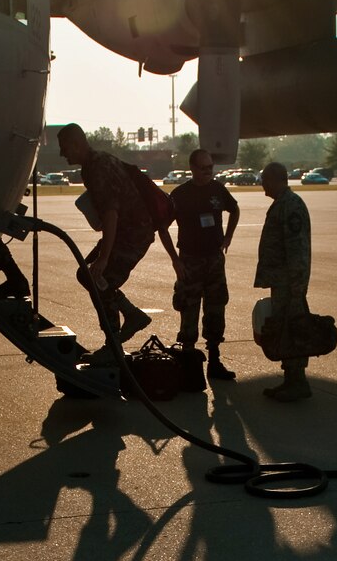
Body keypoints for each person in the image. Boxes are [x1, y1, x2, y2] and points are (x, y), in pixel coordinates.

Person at [57, 123, 167, 361]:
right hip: (127, 233)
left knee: (98, 278)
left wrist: (104, 258)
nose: (62, 154)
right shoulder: (94, 164)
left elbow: (111, 213)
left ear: (77, 143)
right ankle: (131, 316)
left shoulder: (97, 168)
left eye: (64, 147)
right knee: (88, 275)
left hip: (132, 234)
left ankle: (113, 345)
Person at [168, 147, 239, 382]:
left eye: (211, 167)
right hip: (190, 260)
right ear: (193, 168)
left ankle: (215, 360)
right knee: (189, 309)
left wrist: (228, 237)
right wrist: (175, 260)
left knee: (216, 308)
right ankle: (188, 361)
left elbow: (234, 209)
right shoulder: (180, 195)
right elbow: (161, 226)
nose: (209, 171)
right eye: (204, 168)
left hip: (214, 260)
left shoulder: (218, 189)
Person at [254, 161, 312, 401]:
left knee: (293, 329)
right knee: (284, 330)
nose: (262, 185)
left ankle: (297, 382)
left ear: (278, 180)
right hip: (282, 282)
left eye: (266, 180)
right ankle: (291, 379)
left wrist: (297, 290)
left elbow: (297, 250)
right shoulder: (282, 205)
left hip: (290, 284)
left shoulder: (291, 206)